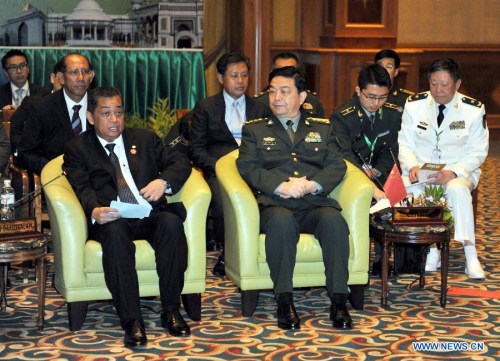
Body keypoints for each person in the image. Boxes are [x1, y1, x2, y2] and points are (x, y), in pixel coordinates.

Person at [63, 86, 192, 348]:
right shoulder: (78, 148)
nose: (114, 120)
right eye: (106, 113)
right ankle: (132, 319)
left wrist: (163, 182)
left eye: (119, 113)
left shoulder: (144, 139)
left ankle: (171, 309)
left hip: (147, 213)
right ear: (91, 117)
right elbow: (81, 186)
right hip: (112, 217)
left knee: (170, 223)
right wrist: (94, 210)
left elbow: (179, 161)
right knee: (115, 234)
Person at [237, 66, 352, 331]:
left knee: (334, 222)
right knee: (280, 223)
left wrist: (312, 184)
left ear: (302, 97)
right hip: (275, 203)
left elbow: (337, 165)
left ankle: (338, 300)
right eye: (273, 91)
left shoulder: (322, 129)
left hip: (313, 203)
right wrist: (279, 186)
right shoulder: (254, 130)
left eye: (285, 91)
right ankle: (284, 300)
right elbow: (248, 167)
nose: (276, 97)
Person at [398, 58, 488, 279]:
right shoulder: (414, 104)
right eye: (434, 83)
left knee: (457, 189)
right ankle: (431, 248)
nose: (438, 90)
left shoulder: (473, 110)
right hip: (422, 170)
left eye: (444, 84)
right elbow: (405, 143)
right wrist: (412, 166)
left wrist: (453, 172)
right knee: (405, 192)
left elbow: (478, 151)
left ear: (457, 84)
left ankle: (470, 253)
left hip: (458, 171)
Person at [189, 52, 270, 276]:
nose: (240, 81)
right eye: (234, 75)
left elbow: (267, 144)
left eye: (244, 75)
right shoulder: (206, 107)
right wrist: (218, 166)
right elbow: (195, 148)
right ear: (221, 78)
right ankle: (229, 252)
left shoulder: (260, 109)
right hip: (219, 170)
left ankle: (255, 251)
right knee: (223, 201)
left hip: (252, 169)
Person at [330, 64, 413, 276]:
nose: (376, 103)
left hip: (381, 173)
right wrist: (363, 176)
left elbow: (391, 150)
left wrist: (377, 171)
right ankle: (360, 259)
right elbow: (343, 155)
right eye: (371, 97)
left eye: (383, 97)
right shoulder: (342, 117)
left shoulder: (393, 114)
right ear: (358, 91)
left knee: (404, 196)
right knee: (368, 197)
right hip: (351, 175)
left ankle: (388, 259)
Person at [18, 53, 94, 174]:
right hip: (57, 179)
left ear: (91, 76)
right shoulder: (42, 107)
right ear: (61, 78)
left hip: (96, 179)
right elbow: (25, 153)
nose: (81, 77)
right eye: (74, 72)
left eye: (85, 71)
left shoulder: (100, 105)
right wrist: (53, 169)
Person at [10, 59, 65, 156]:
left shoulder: (86, 105)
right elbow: (15, 131)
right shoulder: (32, 102)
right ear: (53, 78)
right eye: (62, 84)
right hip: (40, 159)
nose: (66, 89)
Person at [254, 52, 325, 117]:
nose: (285, 75)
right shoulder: (260, 103)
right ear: (272, 72)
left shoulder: (312, 101)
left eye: (291, 71)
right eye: (281, 70)